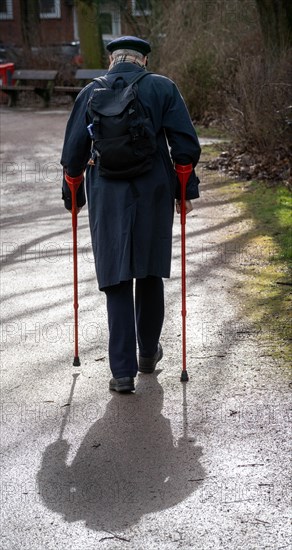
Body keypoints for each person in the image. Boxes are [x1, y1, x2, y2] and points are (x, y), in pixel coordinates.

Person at [61, 36, 201, 393]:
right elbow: (184, 148)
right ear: (143, 60)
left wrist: (72, 196)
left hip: (107, 193)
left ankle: (122, 372)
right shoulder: (162, 87)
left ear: (112, 61)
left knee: (116, 278)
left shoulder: (91, 91)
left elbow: (73, 154)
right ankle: (147, 355)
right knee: (149, 271)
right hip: (152, 189)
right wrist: (185, 191)